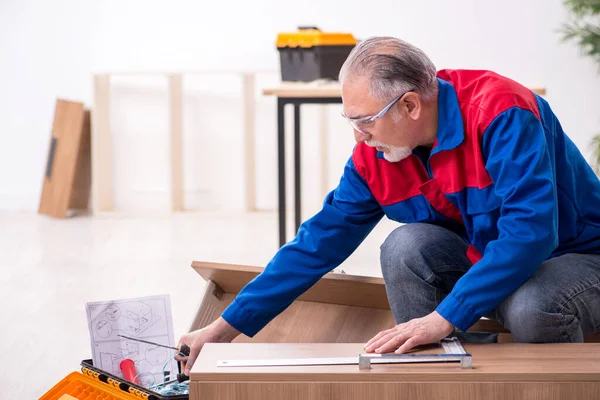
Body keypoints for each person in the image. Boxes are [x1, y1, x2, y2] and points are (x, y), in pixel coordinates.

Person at [175, 36, 600, 376]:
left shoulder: (501, 112)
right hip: (490, 260)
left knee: (532, 304)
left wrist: (445, 316)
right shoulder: (375, 157)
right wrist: (222, 329)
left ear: (411, 105)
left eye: (365, 120)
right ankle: (440, 381)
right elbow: (315, 245)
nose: (359, 136)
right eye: (351, 121)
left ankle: (540, 386)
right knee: (404, 246)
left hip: (578, 257)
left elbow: (531, 234)